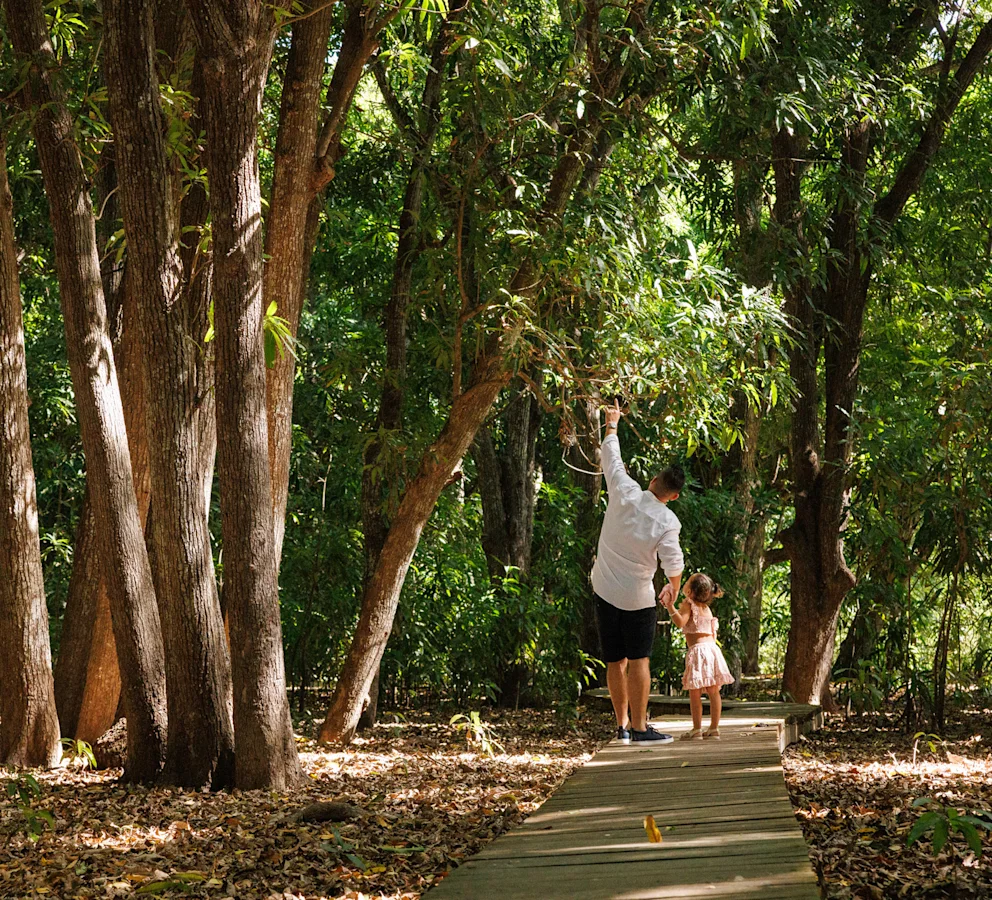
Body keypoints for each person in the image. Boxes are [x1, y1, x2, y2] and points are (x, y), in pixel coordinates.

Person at [592, 400, 685, 744]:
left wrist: (612, 423)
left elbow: (611, 457)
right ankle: (640, 728)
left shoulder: (624, 490)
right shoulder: (667, 521)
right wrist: (672, 589)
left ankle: (621, 727)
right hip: (637, 599)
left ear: (652, 480)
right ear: (673, 496)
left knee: (615, 661)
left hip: (604, 590)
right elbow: (673, 565)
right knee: (639, 659)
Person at [661, 572, 734, 739]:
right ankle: (714, 728)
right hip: (712, 650)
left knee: (695, 692)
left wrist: (670, 606)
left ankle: (696, 729)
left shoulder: (689, 604)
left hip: (698, 650)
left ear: (691, 591)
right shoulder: (706, 609)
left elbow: (680, 622)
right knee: (713, 691)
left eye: (687, 582)